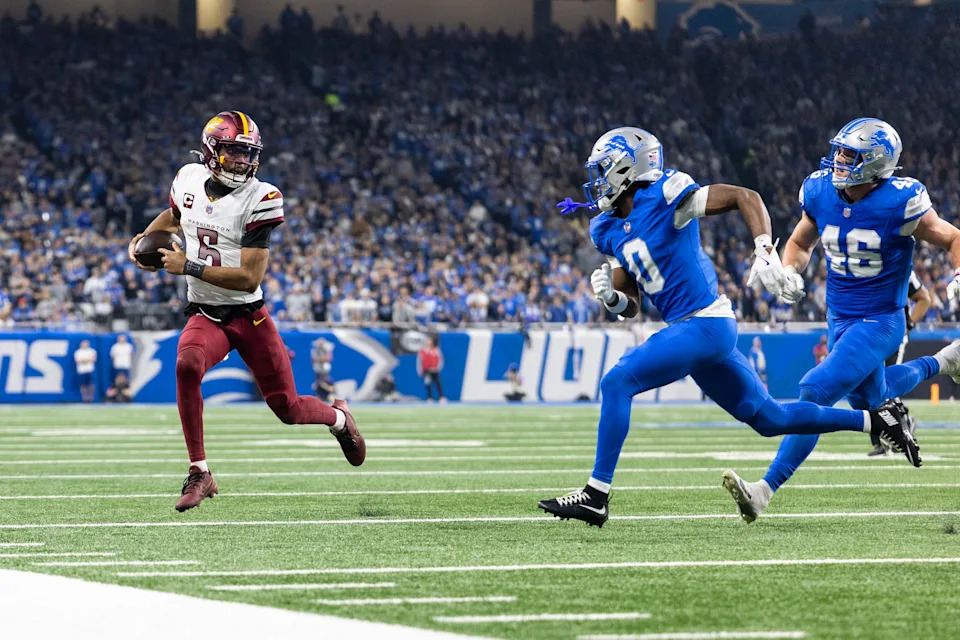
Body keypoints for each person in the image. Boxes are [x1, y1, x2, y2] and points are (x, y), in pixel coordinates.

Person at [538, 126, 919, 528]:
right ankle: (877, 421)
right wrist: (613, 300)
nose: (598, 179)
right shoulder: (606, 227)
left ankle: (596, 495)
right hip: (694, 332)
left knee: (617, 383)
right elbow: (630, 304)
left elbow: (745, 196)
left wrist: (764, 249)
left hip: (705, 323)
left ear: (629, 168)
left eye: (605, 168)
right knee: (769, 418)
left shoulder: (667, 195)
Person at [723, 118, 960, 522]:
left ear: (876, 164)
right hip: (840, 318)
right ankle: (947, 361)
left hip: (881, 320)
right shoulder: (820, 191)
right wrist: (791, 272)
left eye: (850, 155)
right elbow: (800, 240)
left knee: (814, 392)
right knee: (873, 393)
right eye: (839, 151)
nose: (839, 161)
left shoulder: (899, 200)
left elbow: (953, 237)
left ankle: (764, 490)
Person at [127, 110, 365, 513]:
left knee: (287, 408)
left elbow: (249, 278)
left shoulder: (262, 197)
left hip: (248, 315)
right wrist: (145, 242)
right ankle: (200, 471)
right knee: (187, 365)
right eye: (234, 152)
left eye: (247, 153)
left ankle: (340, 419)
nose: (242, 161)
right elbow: (174, 216)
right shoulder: (187, 179)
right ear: (211, 151)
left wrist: (187, 265)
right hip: (205, 312)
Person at [868, 270, 931, 455]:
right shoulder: (860, 264)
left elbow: (924, 298)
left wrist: (908, 325)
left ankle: (902, 427)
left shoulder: (900, 266)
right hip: (868, 335)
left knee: (887, 384)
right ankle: (884, 436)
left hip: (891, 336)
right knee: (868, 387)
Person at [417, 336, 444, 402]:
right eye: (427, 341)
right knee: (428, 383)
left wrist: (438, 368)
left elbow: (441, 359)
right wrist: (420, 371)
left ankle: (441, 397)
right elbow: (419, 361)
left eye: (429, 341)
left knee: (438, 383)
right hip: (426, 370)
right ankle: (430, 397)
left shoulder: (436, 350)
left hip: (434, 370)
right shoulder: (422, 351)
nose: (428, 342)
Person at [74, 339, 97, 403]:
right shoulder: (78, 352)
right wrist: (87, 360)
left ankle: (91, 398)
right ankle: (84, 398)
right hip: (81, 370)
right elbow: (78, 361)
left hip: (89, 370)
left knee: (90, 384)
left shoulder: (92, 351)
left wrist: (83, 360)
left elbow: (93, 359)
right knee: (83, 384)